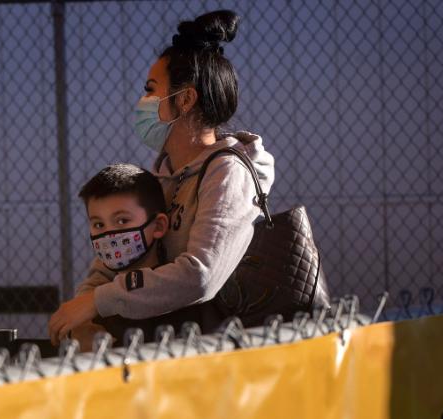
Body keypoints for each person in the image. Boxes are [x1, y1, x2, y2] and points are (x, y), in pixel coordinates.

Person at [48, 9, 274, 345]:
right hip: (165, 349)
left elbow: (200, 275)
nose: (143, 101)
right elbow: (113, 261)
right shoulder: (163, 176)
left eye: (151, 90)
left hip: (216, 354)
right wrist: (85, 312)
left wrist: (99, 301)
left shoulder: (228, 173)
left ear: (184, 99)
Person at [67, 163, 170, 350]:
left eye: (122, 221)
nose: (109, 235)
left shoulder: (176, 297)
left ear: (159, 226)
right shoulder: (92, 309)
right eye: (99, 225)